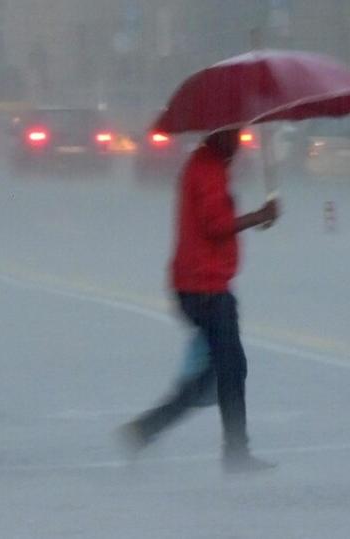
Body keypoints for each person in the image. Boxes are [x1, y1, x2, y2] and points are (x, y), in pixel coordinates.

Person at [119, 128, 280, 473]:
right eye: (232, 135)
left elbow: (215, 224)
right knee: (230, 369)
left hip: (201, 282)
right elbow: (214, 225)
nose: (237, 143)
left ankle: (145, 431)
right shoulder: (206, 169)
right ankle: (234, 453)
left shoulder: (209, 165)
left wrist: (257, 219)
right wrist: (258, 216)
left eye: (239, 135)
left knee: (219, 372)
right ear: (217, 135)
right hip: (204, 287)